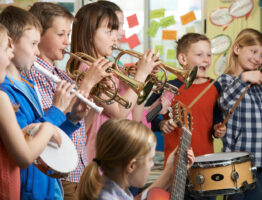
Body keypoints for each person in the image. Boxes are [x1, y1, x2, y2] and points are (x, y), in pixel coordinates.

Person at [0, 6, 95, 200]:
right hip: (29, 191)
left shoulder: (27, 83)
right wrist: (57, 109)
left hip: (48, 188)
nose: (37, 51)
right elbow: (29, 145)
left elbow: (47, 140)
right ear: (11, 44)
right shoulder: (6, 92)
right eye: (34, 43)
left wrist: (71, 119)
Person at [23, 3, 112, 199]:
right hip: (57, 174)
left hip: (80, 170)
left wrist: (79, 114)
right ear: (39, 35)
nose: (67, 42)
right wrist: (86, 84)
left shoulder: (63, 76)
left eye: (68, 35)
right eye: (61, 34)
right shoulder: (31, 74)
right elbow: (43, 128)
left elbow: (75, 130)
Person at [69, 2, 160, 164]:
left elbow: (135, 116)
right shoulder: (88, 68)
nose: (115, 37)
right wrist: (141, 74)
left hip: (118, 149)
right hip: (100, 156)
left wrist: (143, 79)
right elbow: (119, 112)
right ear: (90, 34)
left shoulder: (110, 67)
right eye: (109, 31)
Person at [0, 23, 62, 200]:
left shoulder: (24, 86)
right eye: (6, 49)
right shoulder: (2, 96)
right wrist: (48, 126)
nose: (11, 54)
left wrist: (25, 131)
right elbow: (25, 157)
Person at [77, 118, 195, 200]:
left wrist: (170, 171)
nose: (152, 165)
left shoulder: (109, 189)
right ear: (131, 166)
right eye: (150, 159)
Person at [217, 28, 262, 200]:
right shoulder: (225, 80)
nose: (257, 59)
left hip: (259, 162)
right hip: (236, 163)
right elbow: (223, 103)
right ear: (237, 49)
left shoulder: (258, 86)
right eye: (253, 51)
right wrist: (243, 78)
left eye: (261, 55)